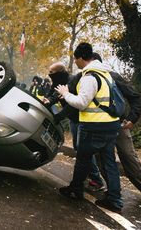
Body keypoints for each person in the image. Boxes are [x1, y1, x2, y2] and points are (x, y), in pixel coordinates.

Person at [55, 42, 123, 213]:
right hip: (111, 124)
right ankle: (115, 199)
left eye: (76, 60)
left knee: (83, 159)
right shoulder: (106, 74)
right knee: (109, 163)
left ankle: (75, 189)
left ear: (80, 58)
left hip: (93, 126)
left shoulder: (89, 77)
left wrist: (65, 94)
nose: (76, 64)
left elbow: (81, 102)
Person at [91, 52, 141, 205]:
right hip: (99, 126)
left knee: (128, 156)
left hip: (119, 125)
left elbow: (134, 97)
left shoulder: (113, 76)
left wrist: (132, 119)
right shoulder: (88, 79)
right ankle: (112, 188)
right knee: (103, 159)